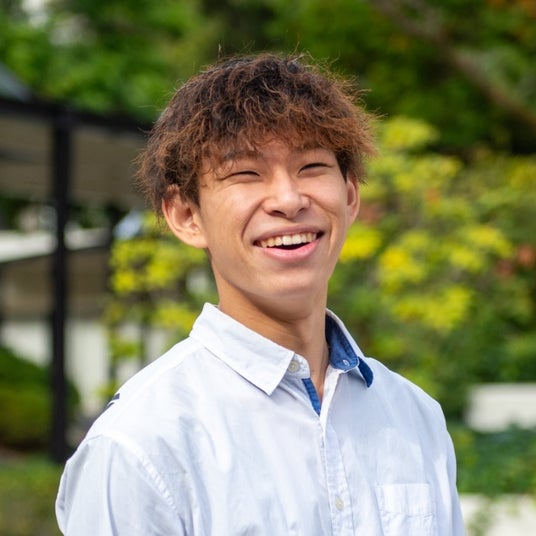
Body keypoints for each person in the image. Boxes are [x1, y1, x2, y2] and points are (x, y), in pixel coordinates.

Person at [56, 53, 465, 535]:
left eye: (311, 166)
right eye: (245, 174)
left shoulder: (414, 417)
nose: (289, 200)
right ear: (186, 216)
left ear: (350, 197)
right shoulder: (140, 444)